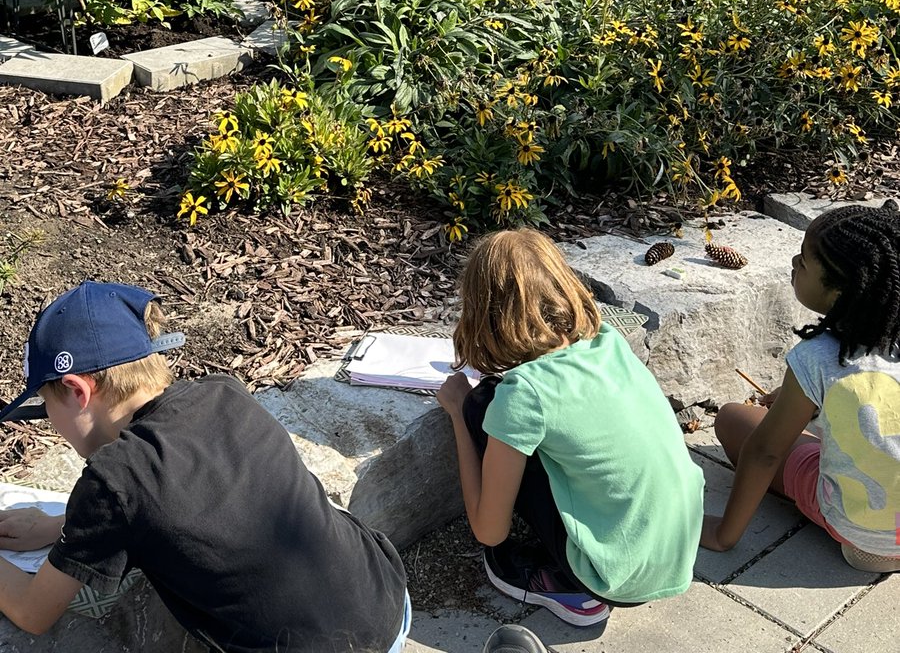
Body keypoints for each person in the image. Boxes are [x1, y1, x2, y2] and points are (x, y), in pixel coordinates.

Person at [0, 281, 411, 651]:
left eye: (44, 407)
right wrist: (59, 527)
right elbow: (184, 495)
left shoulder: (114, 478)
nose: (51, 423)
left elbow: (31, 613)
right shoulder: (224, 392)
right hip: (388, 599)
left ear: (76, 391)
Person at [436, 229, 704, 628]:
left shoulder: (523, 394)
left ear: (483, 311)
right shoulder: (608, 341)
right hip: (678, 550)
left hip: (611, 579)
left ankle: (565, 584)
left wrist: (458, 412)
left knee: (481, 406)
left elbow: (488, 532)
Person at [701, 203, 900, 573]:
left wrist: (724, 535)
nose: (794, 261)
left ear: (842, 290)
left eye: (805, 262)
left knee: (732, 419)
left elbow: (764, 454)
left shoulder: (817, 357)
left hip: (868, 548)